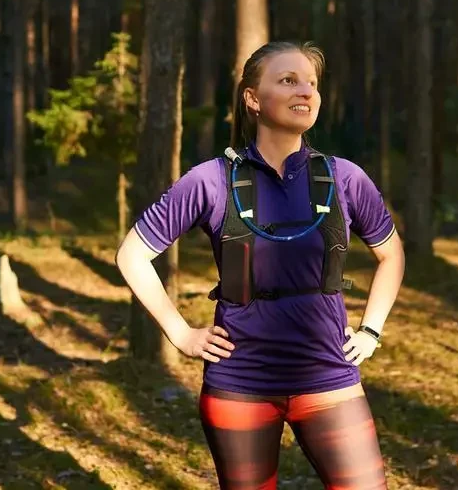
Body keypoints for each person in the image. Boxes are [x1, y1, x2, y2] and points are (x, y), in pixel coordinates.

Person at [115, 41, 405, 489]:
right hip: (240, 380)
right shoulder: (210, 180)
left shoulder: (345, 177)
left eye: (312, 83)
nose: (306, 91)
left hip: (328, 375)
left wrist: (371, 330)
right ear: (252, 98)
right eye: (289, 80)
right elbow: (132, 253)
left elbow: (391, 253)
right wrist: (180, 333)